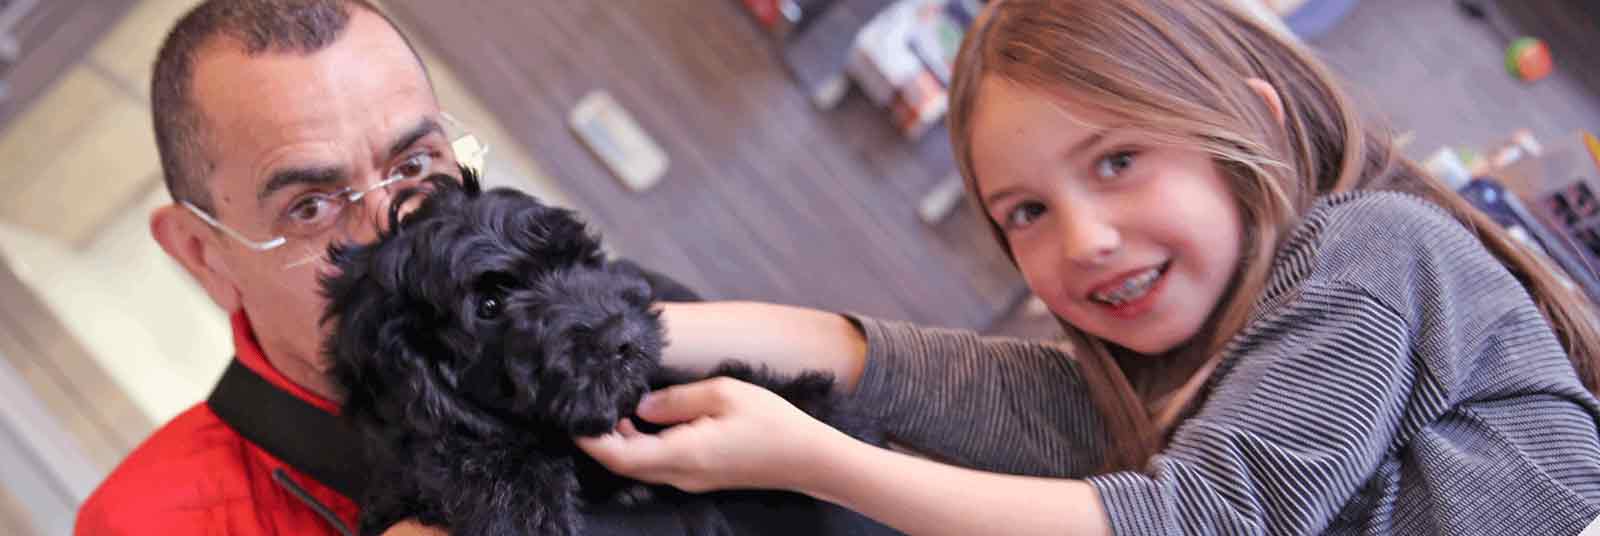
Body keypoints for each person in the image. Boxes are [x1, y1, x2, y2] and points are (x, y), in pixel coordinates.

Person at [578, 1, 1600, 534]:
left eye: (1117, 162)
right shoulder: (1199, 385)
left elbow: (1199, 520)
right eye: (1025, 211)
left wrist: (811, 458)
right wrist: (631, 327)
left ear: (1251, 123)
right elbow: (955, 380)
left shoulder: (1378, 247)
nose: (1082, 240)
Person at [74, 2, 696, 534]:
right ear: (201, 253)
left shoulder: (624, 320)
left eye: (414, 166)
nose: (393, 229)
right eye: (310, 207)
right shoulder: (147, 519)